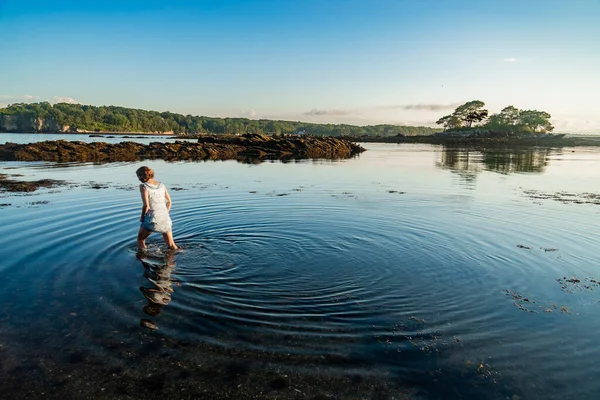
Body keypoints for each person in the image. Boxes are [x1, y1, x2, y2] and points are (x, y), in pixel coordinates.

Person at [135, 166, 178, 250]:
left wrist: (142, 217)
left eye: (138, 176)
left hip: (152, 219)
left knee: (140, 239)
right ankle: (180, 257)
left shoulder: (143, 186)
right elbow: (169, 202)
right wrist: (165, 212)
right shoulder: (161, 185)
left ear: (141, 176)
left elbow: (146, 205)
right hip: (165, 218)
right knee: (172, 245)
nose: (138, 178)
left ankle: (142, 257)